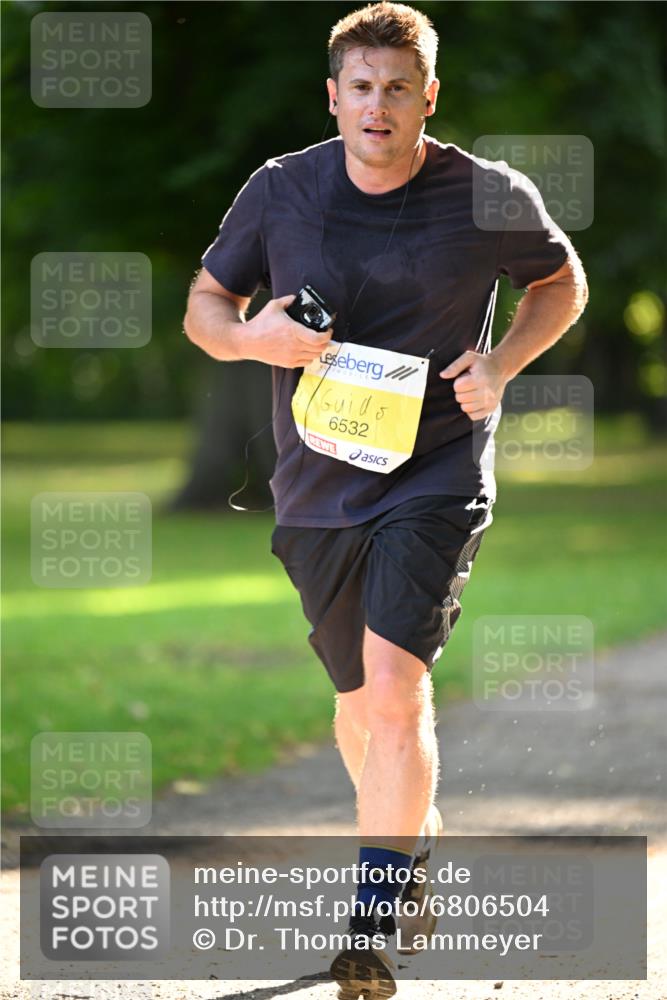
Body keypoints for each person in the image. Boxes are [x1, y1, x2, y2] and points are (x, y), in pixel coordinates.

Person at [184, 3, 588, 995]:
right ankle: (409, 846)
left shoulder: (484, 193)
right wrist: (251, 340)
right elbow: (204, 309)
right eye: (360, 87)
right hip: (317, 485)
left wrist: (500, 364)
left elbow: (560, 280)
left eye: (397, 88)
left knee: (397, 687)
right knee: (361, 706)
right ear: (334, 96)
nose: (378, 105)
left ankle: (366, 925)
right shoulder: (281, 191)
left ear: (427, 96)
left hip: (435, 471)